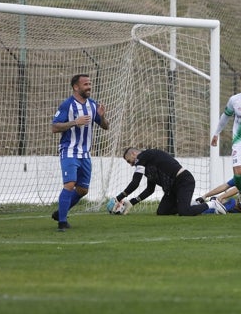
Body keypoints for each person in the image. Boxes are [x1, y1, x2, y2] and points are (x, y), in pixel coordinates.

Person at [51, 74, 109, 232]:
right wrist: (75, 122)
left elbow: (105, 127)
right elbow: (55, 127)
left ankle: (60, 212)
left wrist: (102, 117)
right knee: (70, 184)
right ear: (76, 87)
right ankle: (62, 223)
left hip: (85, 154)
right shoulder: (67, 105)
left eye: (90, 84)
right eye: (85, 84)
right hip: (69, 151)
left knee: (83, 190)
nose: (89, 86)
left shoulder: (92, 105)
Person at [106, 147, 227, 216]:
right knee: (162, 212)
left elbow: (135, 182)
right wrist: (132, 202)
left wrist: (119, 197)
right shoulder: (147, 164)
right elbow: (150, 189)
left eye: (129, 161)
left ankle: (212, 204)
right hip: (172, 189)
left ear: (134, 153)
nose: (131, 164)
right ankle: (194, 203)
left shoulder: (143, 156)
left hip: (183, 180)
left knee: (184, 212)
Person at [211, 70, 241, 210]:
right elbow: (225, 116)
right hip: (240, 142)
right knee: (238, 174)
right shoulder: (234, 100)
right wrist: (216, 133)